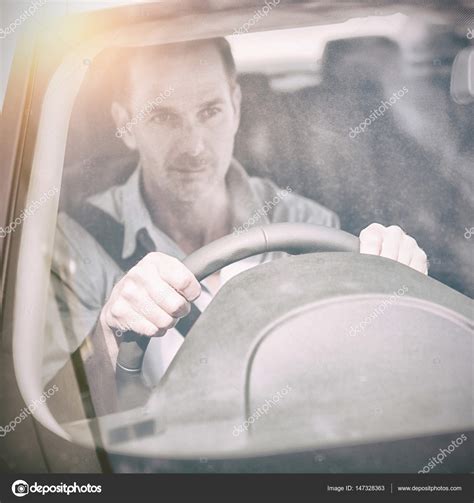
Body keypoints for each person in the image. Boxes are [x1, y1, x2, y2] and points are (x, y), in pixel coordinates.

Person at [46, 38, 428, 409]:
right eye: (163, 116)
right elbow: (53, 418)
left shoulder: (305, 224)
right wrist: (109, 335)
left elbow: (356, 381)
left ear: (236, 107)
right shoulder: (76, 245)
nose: (194, 146)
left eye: (210, 111)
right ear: (126, 125)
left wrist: (401, 296)